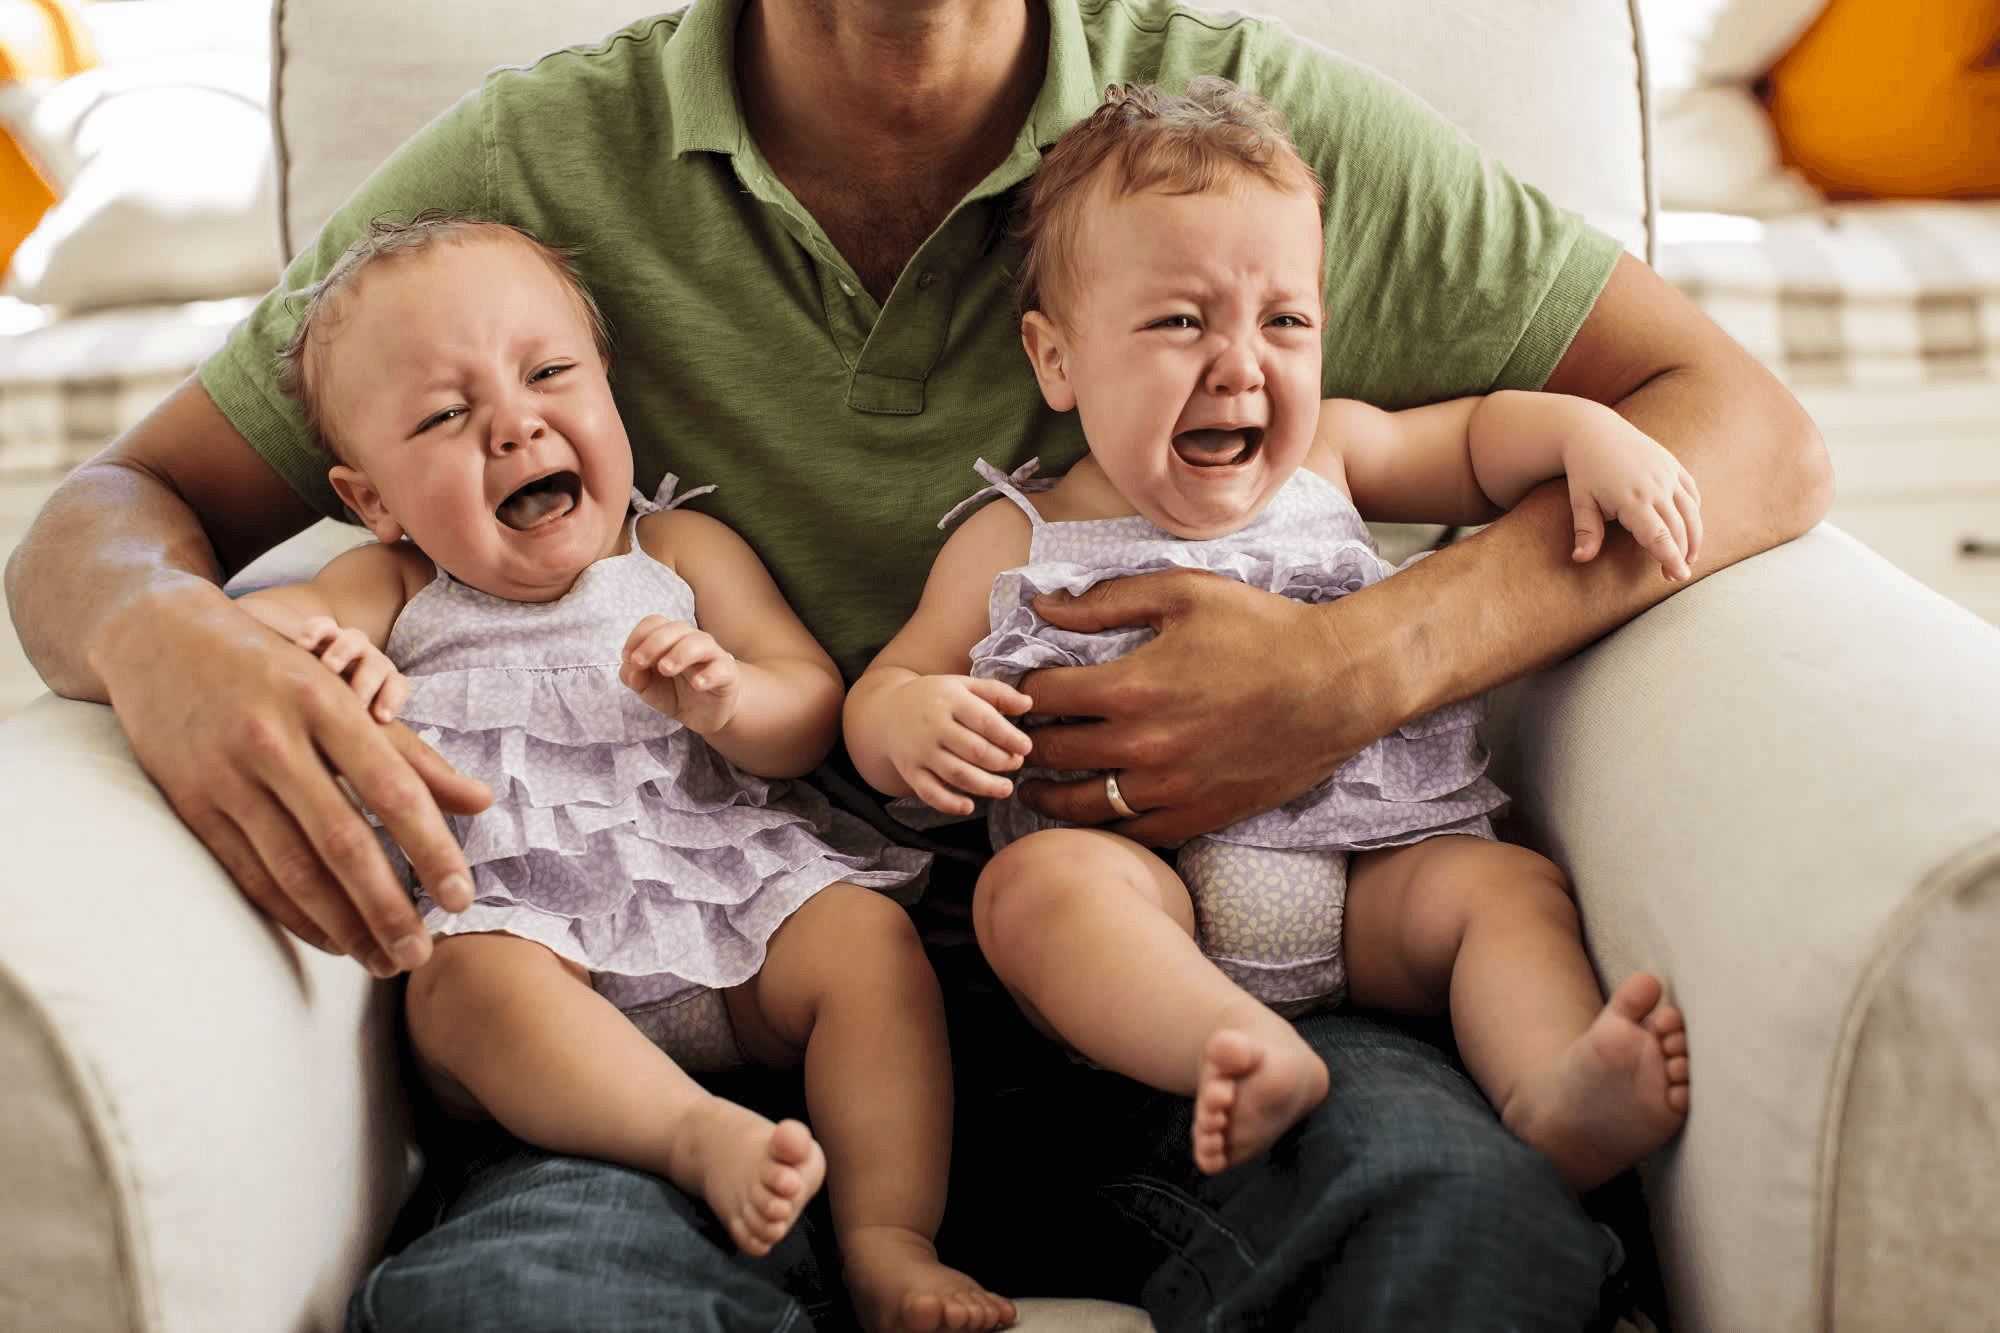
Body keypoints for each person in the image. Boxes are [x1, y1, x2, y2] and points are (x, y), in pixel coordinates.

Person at [4, 0, 1830, 1327]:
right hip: (709, 1010)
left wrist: (1361, 660)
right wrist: (172, 639)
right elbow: (116, 506)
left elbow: (1747, 429)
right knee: (532, 1311)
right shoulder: (538, 174)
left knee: (1474, 1230)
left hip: (1214, 978)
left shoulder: (1238, 138)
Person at [845, 79, 1693, 1190]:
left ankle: (1552, 1092)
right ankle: (1228, 1053)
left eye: (1283, 321)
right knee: (1036, 895)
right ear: (1056, 359)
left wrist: (1585, 432)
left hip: (1369, 878)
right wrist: (909, 716)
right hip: (1152, 898)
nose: (1240, 364)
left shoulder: (1332, 456)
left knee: (1506, 894)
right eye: (1179, 321)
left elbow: (1486, 439)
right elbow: (892, 679)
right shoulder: (1020, 535)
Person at [234, 212, 1012, 1333]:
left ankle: (890, 1237)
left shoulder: (678, 553)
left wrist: (727, 697)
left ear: (607, 394)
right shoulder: (392, 586)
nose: (514, 424)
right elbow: (255, 631)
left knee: (868, 946)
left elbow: (805, 707)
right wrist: (318, 646)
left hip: (730, 921)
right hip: (532, 949)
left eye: (550, 373)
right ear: (373, 499)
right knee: (464, 980)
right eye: (447, 416)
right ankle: (690, 1137)